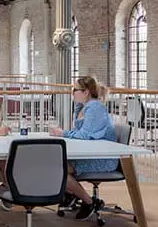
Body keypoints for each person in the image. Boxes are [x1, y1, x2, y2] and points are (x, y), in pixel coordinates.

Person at [50, 75, 118, 219]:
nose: (72, 93)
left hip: (103, 158)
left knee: (59, 170)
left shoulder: (95, 108)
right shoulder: (83, 107)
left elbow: (85, 135)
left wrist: (63, 133)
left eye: (75, 90)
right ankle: (72, 195)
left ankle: (89, 202)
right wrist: (66, 133)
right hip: (92, 152)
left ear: (86, 92)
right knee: (56, 166)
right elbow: (81, 133)